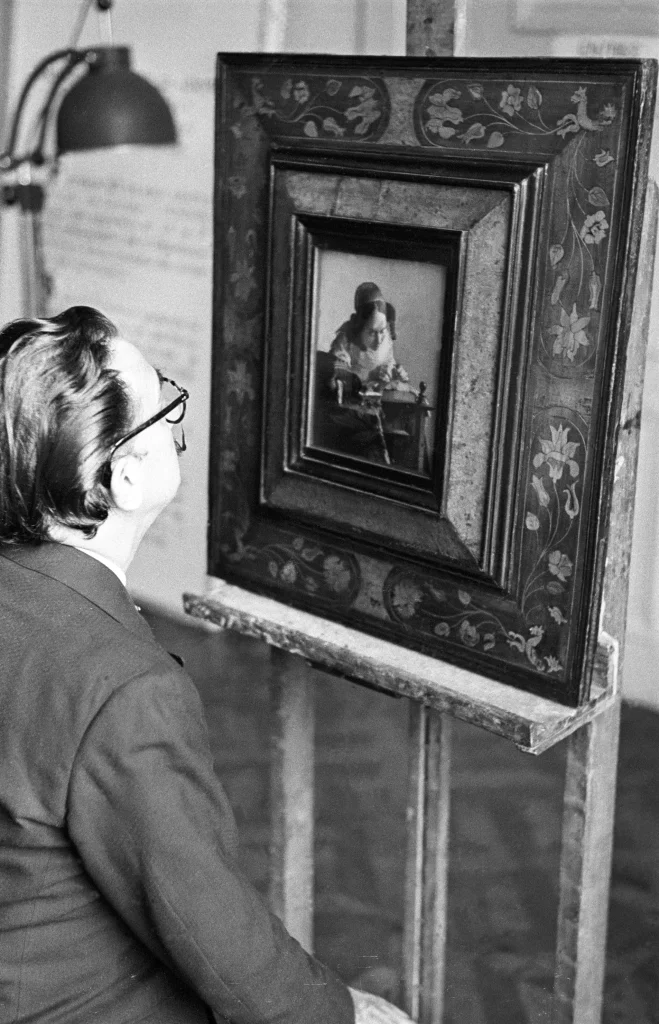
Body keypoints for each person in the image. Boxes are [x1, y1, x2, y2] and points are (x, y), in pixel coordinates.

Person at [0, 307, 413, 1024]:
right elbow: (204, 922)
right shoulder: (128, 690)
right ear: (121, 480)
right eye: (162, 397)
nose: (171, 407)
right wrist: (339, 1011)